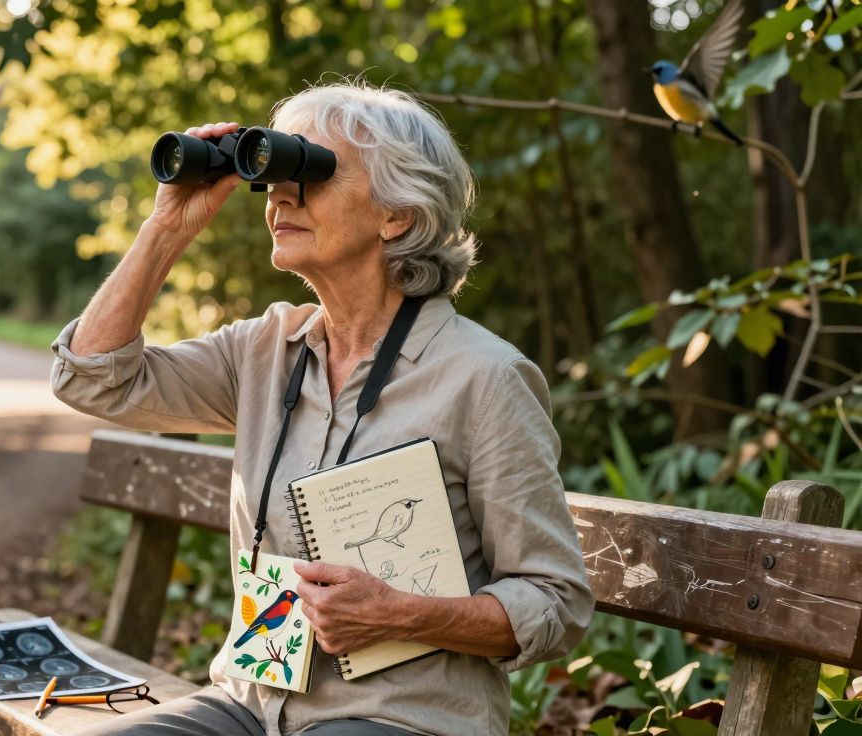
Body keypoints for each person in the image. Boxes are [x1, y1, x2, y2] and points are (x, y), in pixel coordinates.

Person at [49, 81, 593, 736]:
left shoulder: (484, 378)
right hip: (249, 705)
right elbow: (90, 379)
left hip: (402, 720)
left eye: (309, 168)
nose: (281, 191)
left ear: (396, 215)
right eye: (275, 167)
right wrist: (167, 226)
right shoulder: (264, 351)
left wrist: (402, 613)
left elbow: (555, 603)